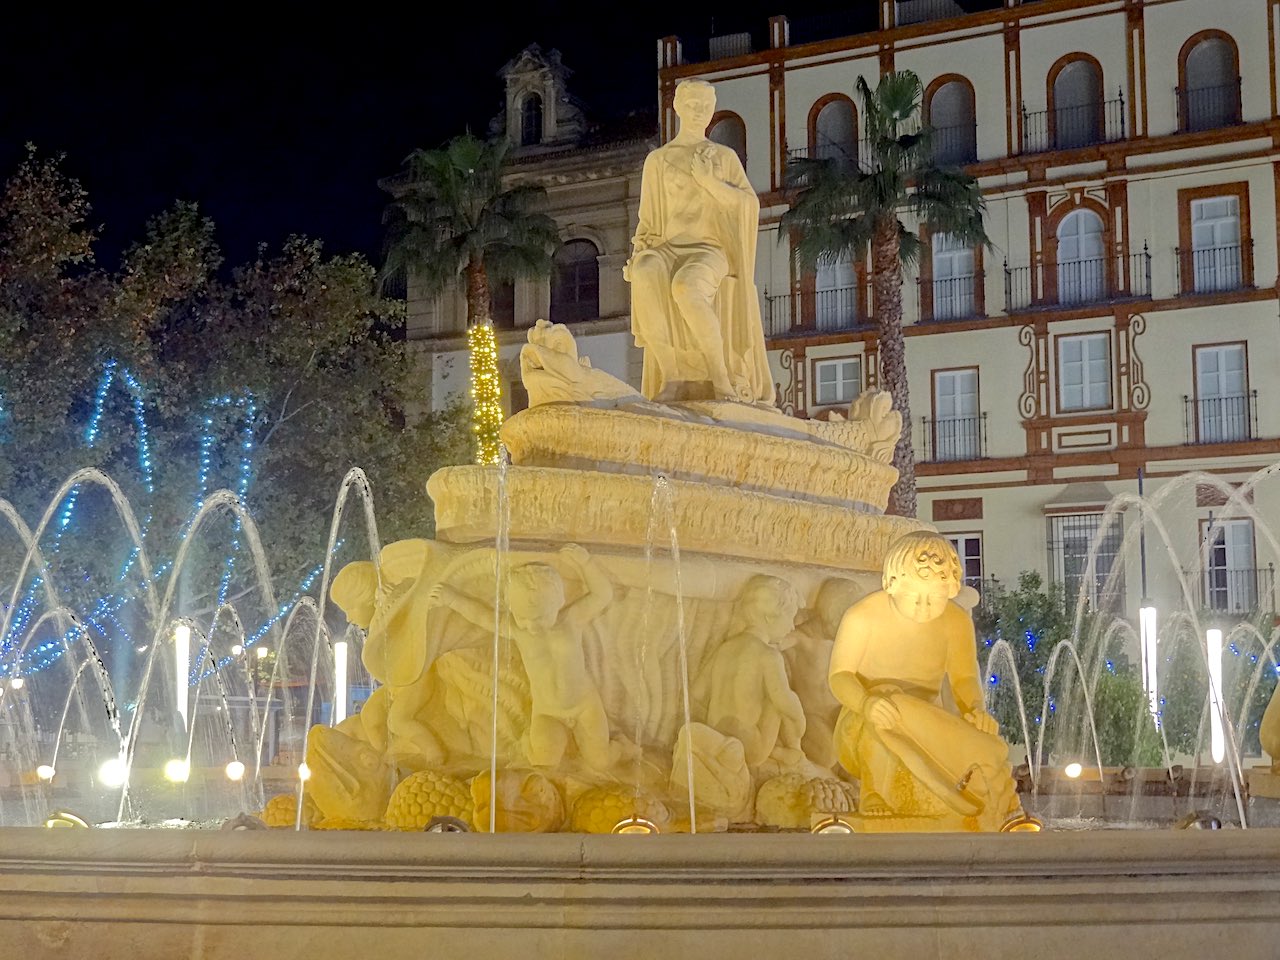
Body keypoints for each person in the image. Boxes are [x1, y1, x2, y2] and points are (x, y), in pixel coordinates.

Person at [828, 532, 1020, 828]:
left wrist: (976, 709)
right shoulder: (863, 617)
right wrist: (866, 703)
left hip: (928, 724)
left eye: (934, 598)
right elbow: (840, 677)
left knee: (989, 748)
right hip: (864, 722)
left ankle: (987, 805)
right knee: (885, 709)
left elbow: (965, 677)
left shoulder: (955, 621)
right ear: (892, 584)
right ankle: (874, 793)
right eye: (915, 597)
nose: (924, 607)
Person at [624, 79, 773, 404]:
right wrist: (639, 253)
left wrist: (710, 183)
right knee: (645, 273)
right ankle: (673, 375)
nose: (699, 112)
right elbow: (647, 221)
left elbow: (749, 205)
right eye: (692, 105)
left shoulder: (723, 157)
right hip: (667, 249)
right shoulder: (659, 161)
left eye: (705, 106)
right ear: (677, 107)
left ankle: (719, 377)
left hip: (710, 251)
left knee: (686, 288)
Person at [427, 544, 617, 769]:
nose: (532, 626)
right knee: (542, 761)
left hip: (584, 706)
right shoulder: (518, 631)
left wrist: (585, 563)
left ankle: (622, 748)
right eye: (523, 618)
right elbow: (483, 616)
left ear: (558, 601)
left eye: (540, 618)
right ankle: (527, 743)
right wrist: (452, 599)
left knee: (601, 762)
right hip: (548, 711)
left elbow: (603, 595)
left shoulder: (571, 620)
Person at [700, 575, 806, 767]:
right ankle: (788, 751)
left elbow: (698, 693)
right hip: (751, 748)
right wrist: (800, 723)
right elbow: (783, 701)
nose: (791, 626)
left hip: (717, 734)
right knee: (782, 699)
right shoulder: (769, 655)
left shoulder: (725, 648)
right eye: (790, 618)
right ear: (770, 616)